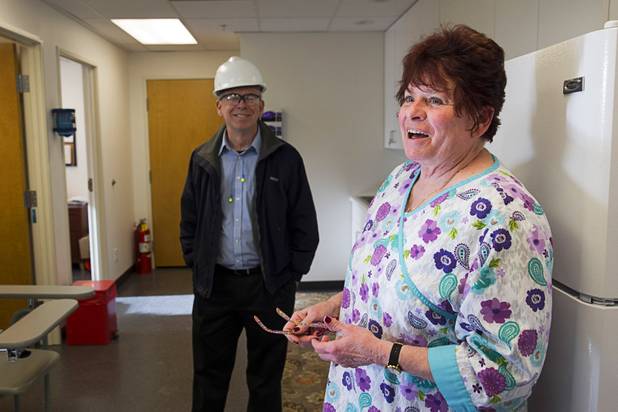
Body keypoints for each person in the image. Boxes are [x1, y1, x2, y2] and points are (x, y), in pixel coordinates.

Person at [284, 25, 552, 411]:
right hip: (360, 396)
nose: (412, 111)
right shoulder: (401, 179)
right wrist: (334, 307)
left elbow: (505, 372)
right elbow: (390, 280)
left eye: (433, 99)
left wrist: (379, 353)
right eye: (409, 96)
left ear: (478, 119)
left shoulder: (507, 218)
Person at [180, 56, 319, 412]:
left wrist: (290, 277)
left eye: (249, 96)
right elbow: (189, 221)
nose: (240, 104)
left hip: (268, 286)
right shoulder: (202, 160)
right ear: (219, 106)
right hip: (216, 287)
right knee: (208, 376)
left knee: (265, 378)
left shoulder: (286, 159)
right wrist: (199, 268)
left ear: (262, 104)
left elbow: (305, 224)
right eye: (232, 97)